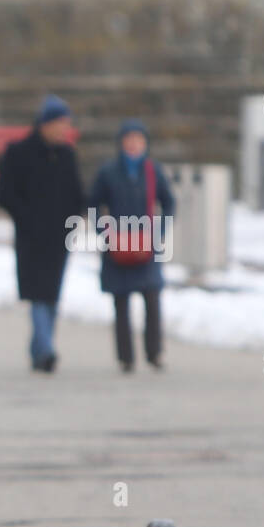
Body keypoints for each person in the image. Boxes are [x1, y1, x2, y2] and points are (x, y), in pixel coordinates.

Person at [0, 94, 86, 373]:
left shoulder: (68, 155)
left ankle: (39, 350)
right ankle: (46, 350)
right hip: (31, 236)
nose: (63, 129)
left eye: (67, 124)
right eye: (60, 123)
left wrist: (79, 217)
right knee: (37, 292)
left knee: (52, 294)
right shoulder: (18, 152)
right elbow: (5, 193)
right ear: (45, 124)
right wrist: (26, 220)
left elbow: (77, 194)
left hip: (60, 236)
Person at [88, 119, 175, 372]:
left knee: (152, 298)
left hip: (146, 247)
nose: (134, 144)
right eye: (129, 139)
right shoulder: (108, 172)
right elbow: (93, 204)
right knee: (121, 303)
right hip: (117, 247)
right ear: (121, 143)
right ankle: (125, 357)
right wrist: (106, 233)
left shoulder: (153, 171)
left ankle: (154, 353)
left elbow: (168, 202)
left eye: (139, 140)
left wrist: (158, 232)